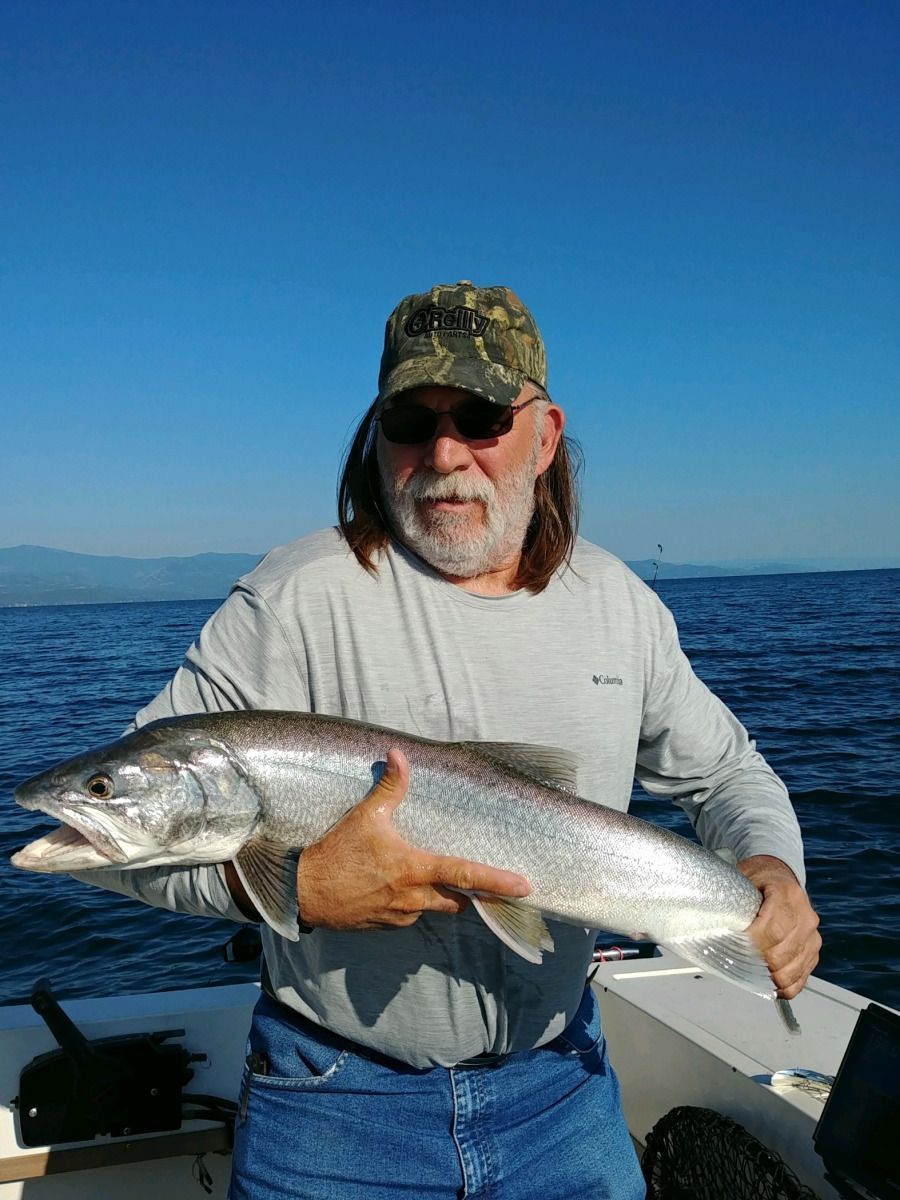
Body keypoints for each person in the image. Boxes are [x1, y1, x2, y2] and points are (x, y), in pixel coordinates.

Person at [78, 282, 821, 1199]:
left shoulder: (620, 606)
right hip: (334, 1106)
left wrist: (772, 871)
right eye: (408, 421)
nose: (442, 454)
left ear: (544, 436)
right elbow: (120, 847)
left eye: (478, 416)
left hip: (564, 1092)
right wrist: (297, 889)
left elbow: (729, 774)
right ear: (374, 436)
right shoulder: (294, 600)